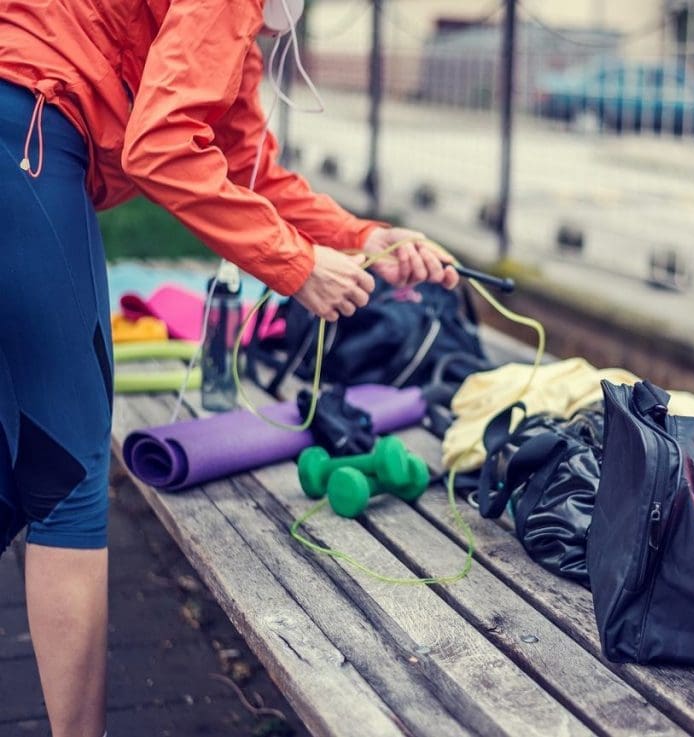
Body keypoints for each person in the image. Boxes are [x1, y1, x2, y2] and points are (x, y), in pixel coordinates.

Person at [0, 2, 457, 735]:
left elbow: (247, 167)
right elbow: (161, 146)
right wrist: (298, 268)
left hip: (20, 129)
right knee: (68, 478)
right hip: (25, 134)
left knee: (7, 470)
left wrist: (368, 235)